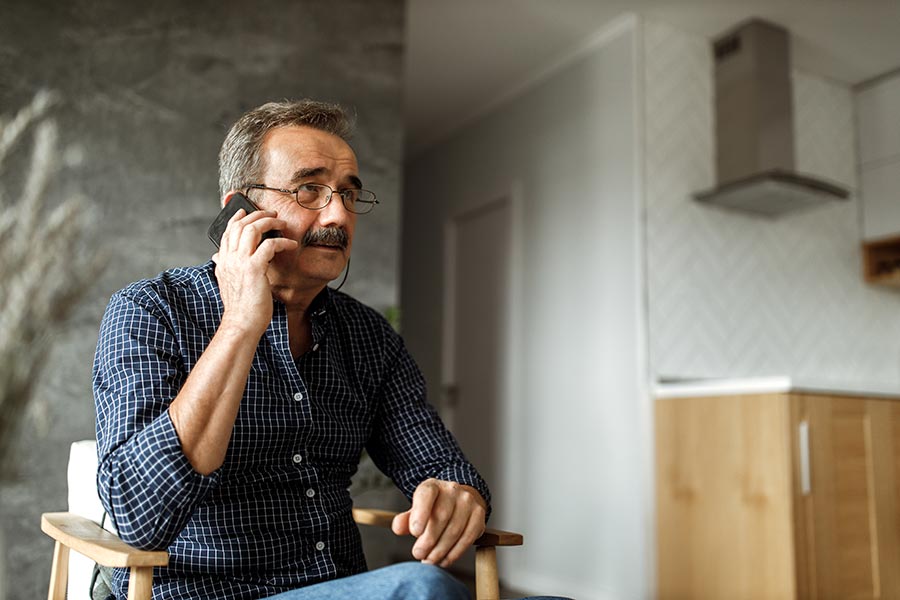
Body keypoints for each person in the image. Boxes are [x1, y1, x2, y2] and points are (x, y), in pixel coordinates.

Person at [92, 100, 489, 600]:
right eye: (309, 189)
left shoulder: (369, 337)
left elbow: (441, 465)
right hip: (200, 592)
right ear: (240, 210)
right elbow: (137, 514)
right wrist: (240, 322)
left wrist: (457, 494)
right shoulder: (151, 311)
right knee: (421, 588)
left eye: (349, 193)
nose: (339, 214)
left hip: (335, 588)